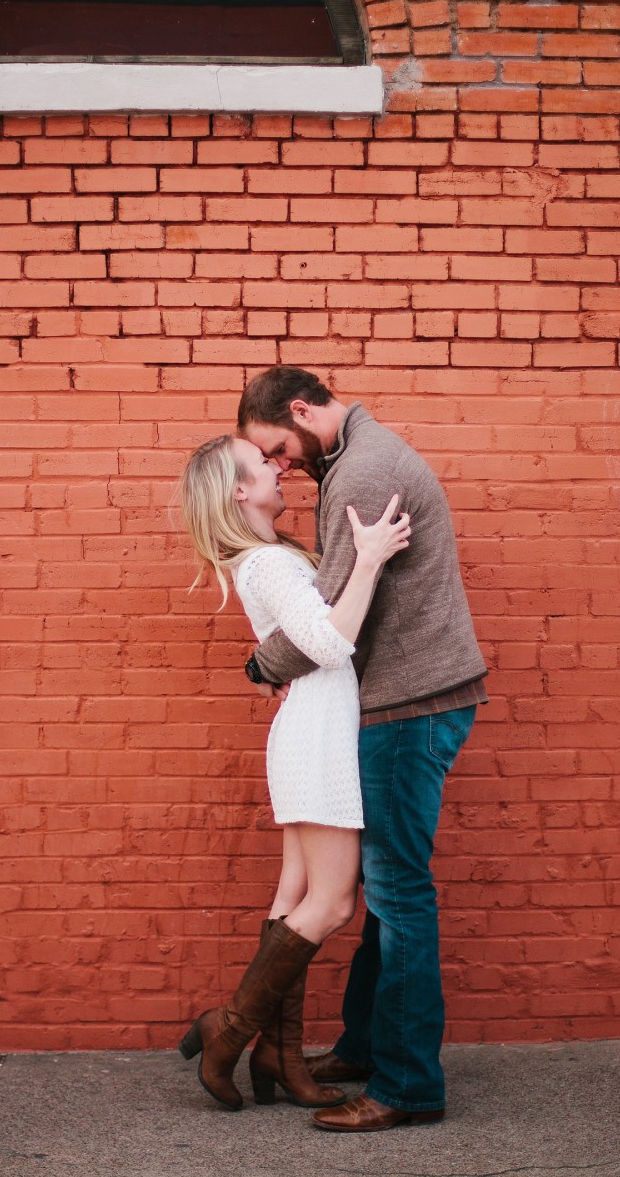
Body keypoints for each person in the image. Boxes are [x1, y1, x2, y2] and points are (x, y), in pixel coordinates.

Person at [237, 367, 487, 1134]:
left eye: (278, 448)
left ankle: (408, 1087)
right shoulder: (353, 458)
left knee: (400, 894)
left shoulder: (367, 470)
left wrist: (260, 665)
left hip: (409, 709)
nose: (279, 465)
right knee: (386, 892)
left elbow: (324, 616)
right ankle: (366, 1045)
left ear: (305, 411)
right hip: (403, 704)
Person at [176, 434, 411, 1112]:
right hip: (320, 736)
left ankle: (277, 1052)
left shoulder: (267, 560)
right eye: (263, 467)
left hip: (309, 729)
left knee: (295, 893)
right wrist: (367, 560)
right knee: (333, 903)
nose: (279, 469)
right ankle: (229, 1031)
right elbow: (331, 644)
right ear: (239, 494)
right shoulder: (272, 564)